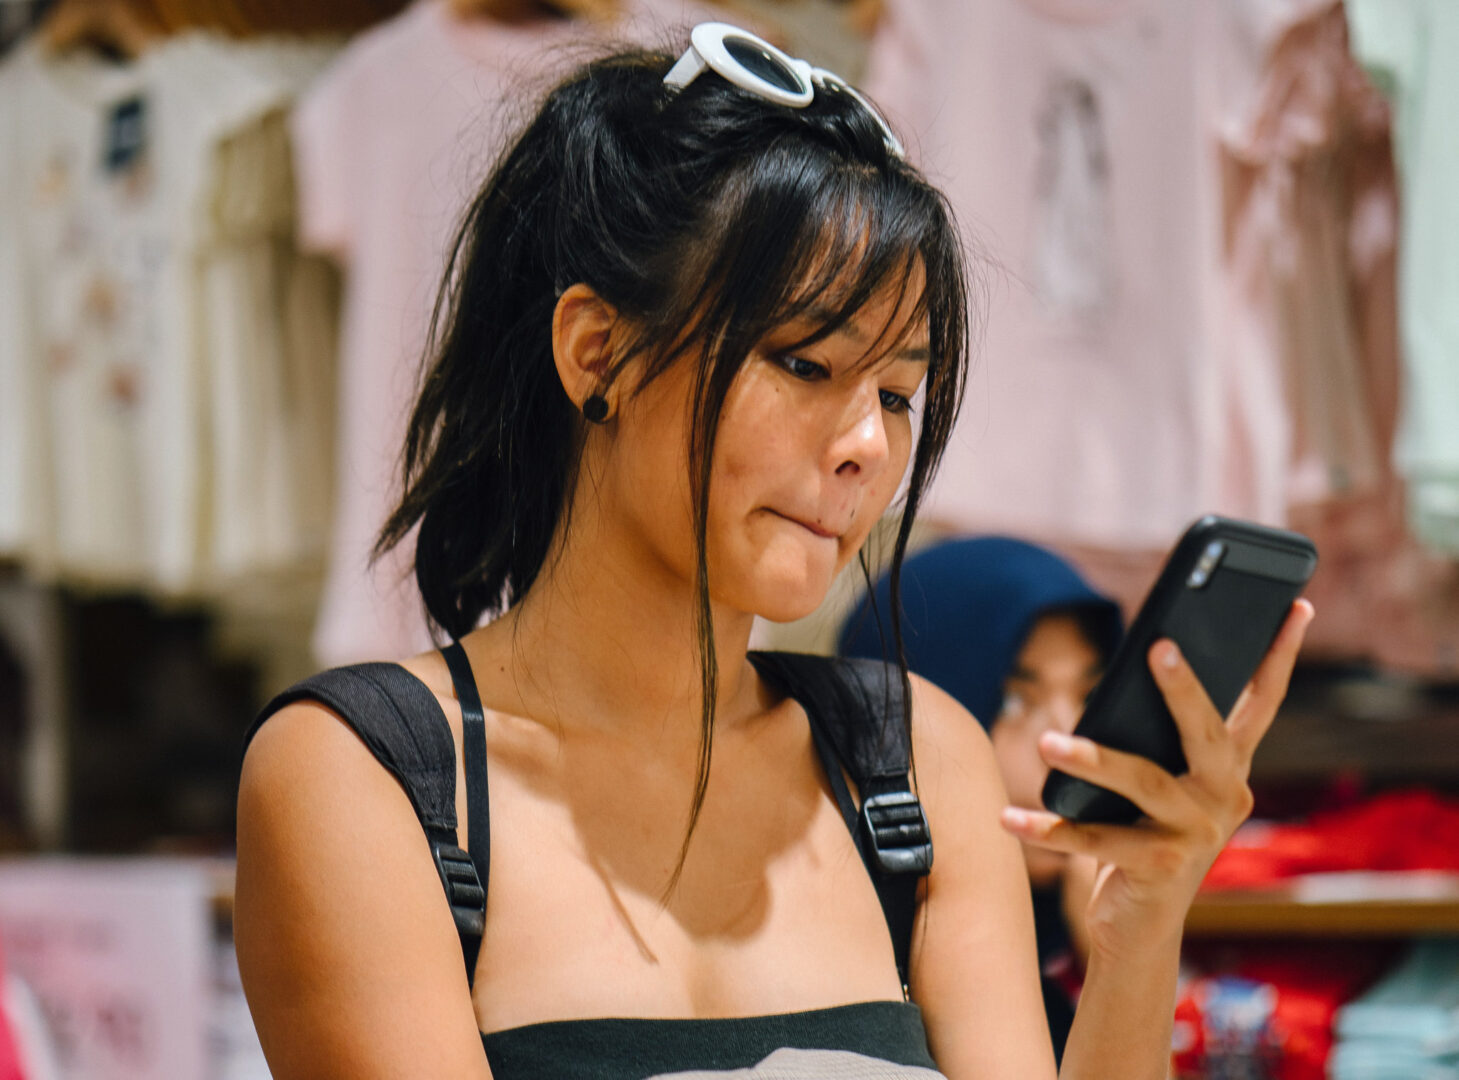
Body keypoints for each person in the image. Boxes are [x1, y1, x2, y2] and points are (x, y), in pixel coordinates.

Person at [233, 22, 1315, 1079]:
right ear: (595, 350)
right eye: (803, 364)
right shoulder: (367, 778)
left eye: (897, 394)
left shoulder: (914, 764)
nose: (864, 448)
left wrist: (1139, 918)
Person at [839, 536, 1128, 1064]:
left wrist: (1123, 962)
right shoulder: (849, 974)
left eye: (1090, 695)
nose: (1069, 745)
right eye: (1016, 700)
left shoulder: (1088, 929)